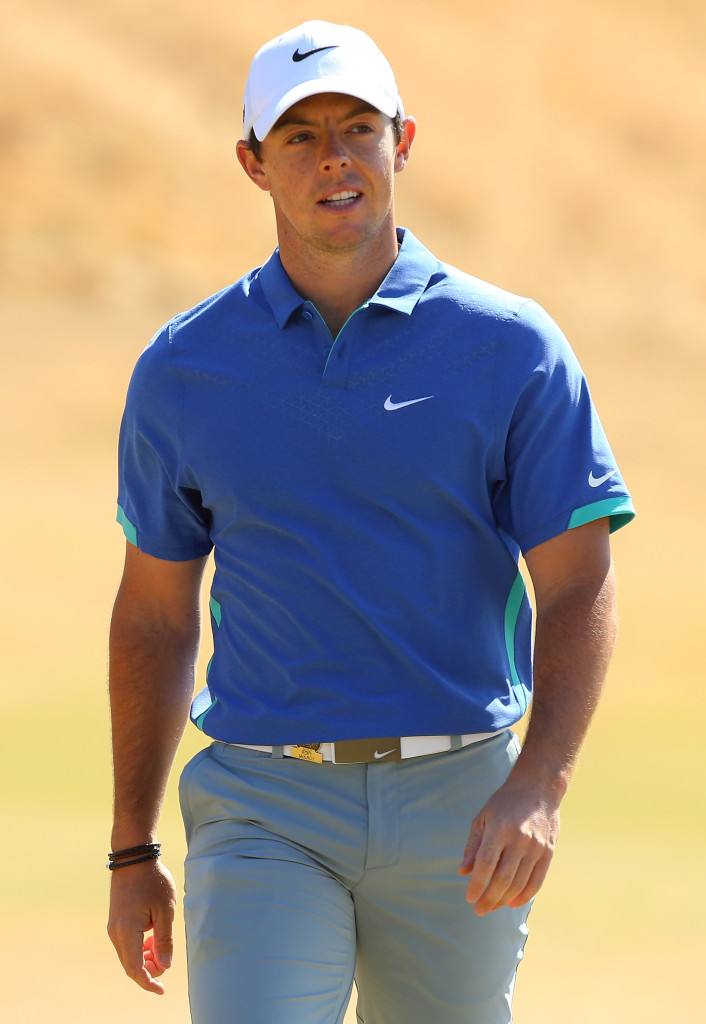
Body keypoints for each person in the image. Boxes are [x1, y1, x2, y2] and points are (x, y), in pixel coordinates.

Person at [107, 20, 634, 1024]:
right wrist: (133, 846)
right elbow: (155, 615)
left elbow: (576, 582)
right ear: (252, 162)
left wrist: (539, 785)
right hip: (265, 804)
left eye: (358, 126)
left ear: (404, 140)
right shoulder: (183, 368)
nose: (333, 158)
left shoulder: (511, 349)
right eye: (299, 136)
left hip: (462, 806)